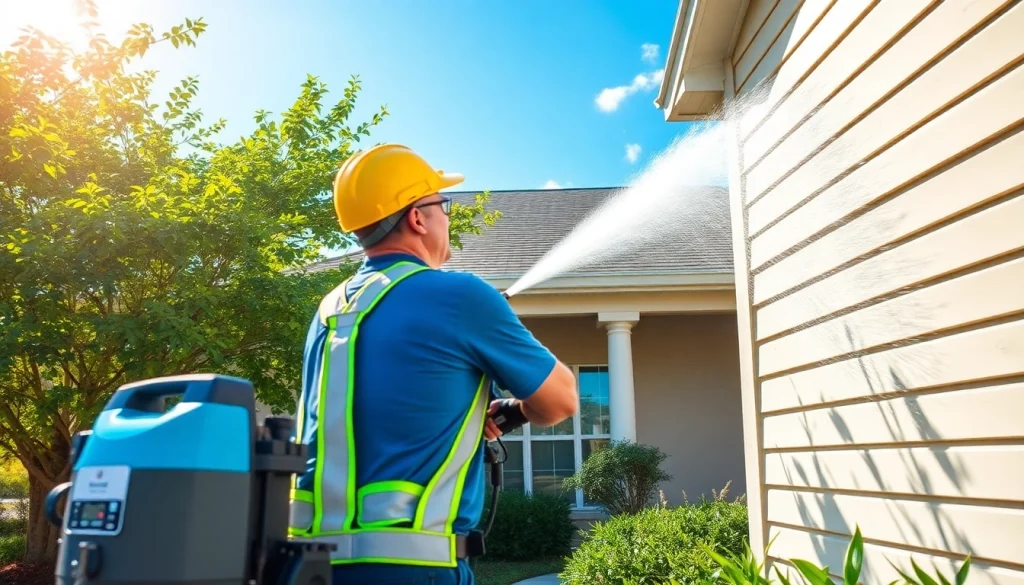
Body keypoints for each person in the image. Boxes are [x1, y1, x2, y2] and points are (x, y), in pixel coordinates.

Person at [288, 144, 579, 584]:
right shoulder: (460, 296)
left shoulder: (329, 310)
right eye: (443, 204)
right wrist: (518, 406)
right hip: (414, 569)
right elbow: (561, 401)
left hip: (310, 569)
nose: (447, 215)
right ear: (417, 218)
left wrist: (463, 413)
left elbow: (372, 411)